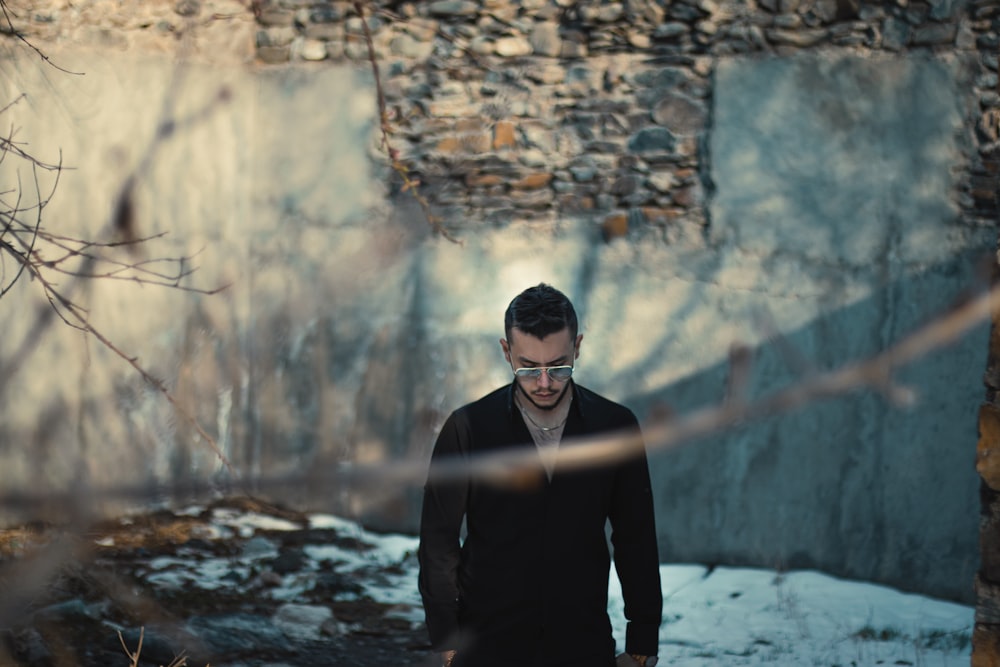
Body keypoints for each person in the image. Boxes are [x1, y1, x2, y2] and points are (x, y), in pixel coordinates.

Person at [418, 283, 662, 667]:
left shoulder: (615, 426)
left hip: (582, 642)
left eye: (559, 366)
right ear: (506, 351)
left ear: (578, 347)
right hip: (486, 645)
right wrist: (445, 638)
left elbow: (636, 538)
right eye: (529, 367)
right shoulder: (468, 427)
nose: (545, 382)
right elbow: (438, 540)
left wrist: (643, 637)